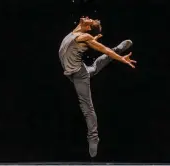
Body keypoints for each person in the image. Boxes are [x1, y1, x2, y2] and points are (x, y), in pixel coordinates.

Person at [58, 16, 136, 157]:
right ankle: (118, 49)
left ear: (88, 27)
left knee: (86, 106)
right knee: (94, 67)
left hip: (79, 75)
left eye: (90, 20)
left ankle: (93, 137)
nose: (88, 17)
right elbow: (75, 46)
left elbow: (105, 50)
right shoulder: (77, 34)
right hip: (74, 73)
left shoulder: (84, 36)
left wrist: (122, 59)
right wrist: (92, 41)